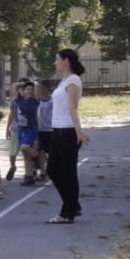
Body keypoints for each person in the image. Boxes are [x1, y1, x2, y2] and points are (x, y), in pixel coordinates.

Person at [47, 49, 89, 224]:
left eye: (57, 59)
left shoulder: (73, 80)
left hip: (67, 131)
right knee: (54, 170)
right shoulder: (63, 81)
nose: (55, 63)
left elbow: (73, 108)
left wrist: (79, 132)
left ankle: (67, 212)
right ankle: (73, 204)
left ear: (66, 61)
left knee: (66, 172)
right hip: (57, 129)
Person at [15, 80, 40, 186]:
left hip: (31, 128)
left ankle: (36, 158)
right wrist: (21, 85)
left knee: (25, 147)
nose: (29, 91)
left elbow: (37, 87)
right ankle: (28, 176)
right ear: (23, 91)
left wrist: (33, 83)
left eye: (31, 89)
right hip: (21, 129)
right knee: (25, 155)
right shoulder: (19, 100)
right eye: (27, 89)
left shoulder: (34, 101)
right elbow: (14, 86)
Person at [36, 79, 54, 180]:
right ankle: (42, 171)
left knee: (51, 151)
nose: (37, 89)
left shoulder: (53, 101)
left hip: (51, 129)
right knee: (40, 151)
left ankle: (52, 169)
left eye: (39, 87)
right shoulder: (37, 101)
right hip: (40, 129)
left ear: (46, 89)